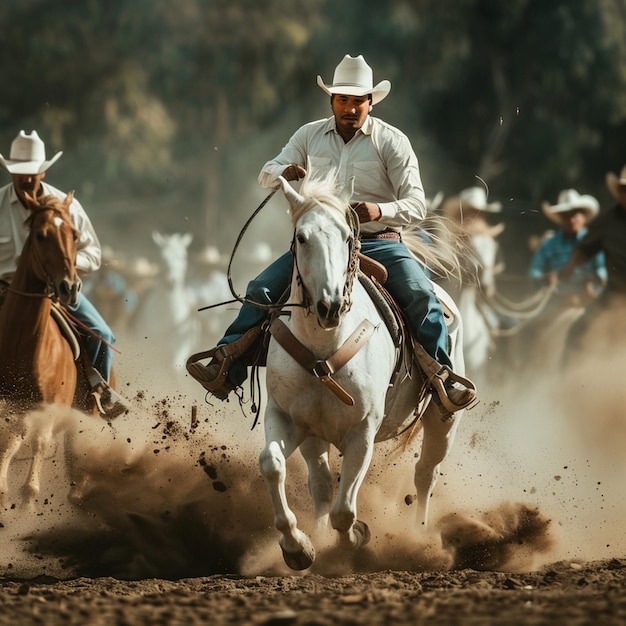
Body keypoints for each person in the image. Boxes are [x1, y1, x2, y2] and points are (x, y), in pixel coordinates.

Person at [187, 54, 476, 411]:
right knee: (260, 288)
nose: (350, 108)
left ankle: (441, 377)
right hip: (321, 244)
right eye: (343, 100)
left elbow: (417, 203)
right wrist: (284, 171)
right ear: (332, 101)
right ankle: (226, 363)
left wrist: (379, 210)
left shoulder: (392, 142)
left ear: (371, 102)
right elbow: (266, 173)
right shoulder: (308, 135)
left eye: (358, 101)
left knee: (421, 296)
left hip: (379, 244)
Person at [0, 130, 128, 417]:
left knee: (102, 333)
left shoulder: (66, 207)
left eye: (33, 172)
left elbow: (93, 252)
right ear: (11, 173)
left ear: (43, 172)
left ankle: (100, 392)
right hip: (4, 290)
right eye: (20, 172)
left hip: (57, 289)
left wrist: (65, 268)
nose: (27, 179)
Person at [560, 166, 626, 356]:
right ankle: (565, 381)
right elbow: (584, 248)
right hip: (614, 293)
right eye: (623, 189)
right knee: (577, 331)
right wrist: (570, 268)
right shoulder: (607, 221)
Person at [529, 189, 606, 310]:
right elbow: (535, 272)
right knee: (531, 326)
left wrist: (595, 286)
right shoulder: (549, 244)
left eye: (575, 214)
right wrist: (545, 280)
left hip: (590, 301)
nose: (571, 219)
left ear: (584, 217)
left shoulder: (594, 243)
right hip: (556, 302)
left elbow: (604, 272)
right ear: (560, 218)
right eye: (566, 215)